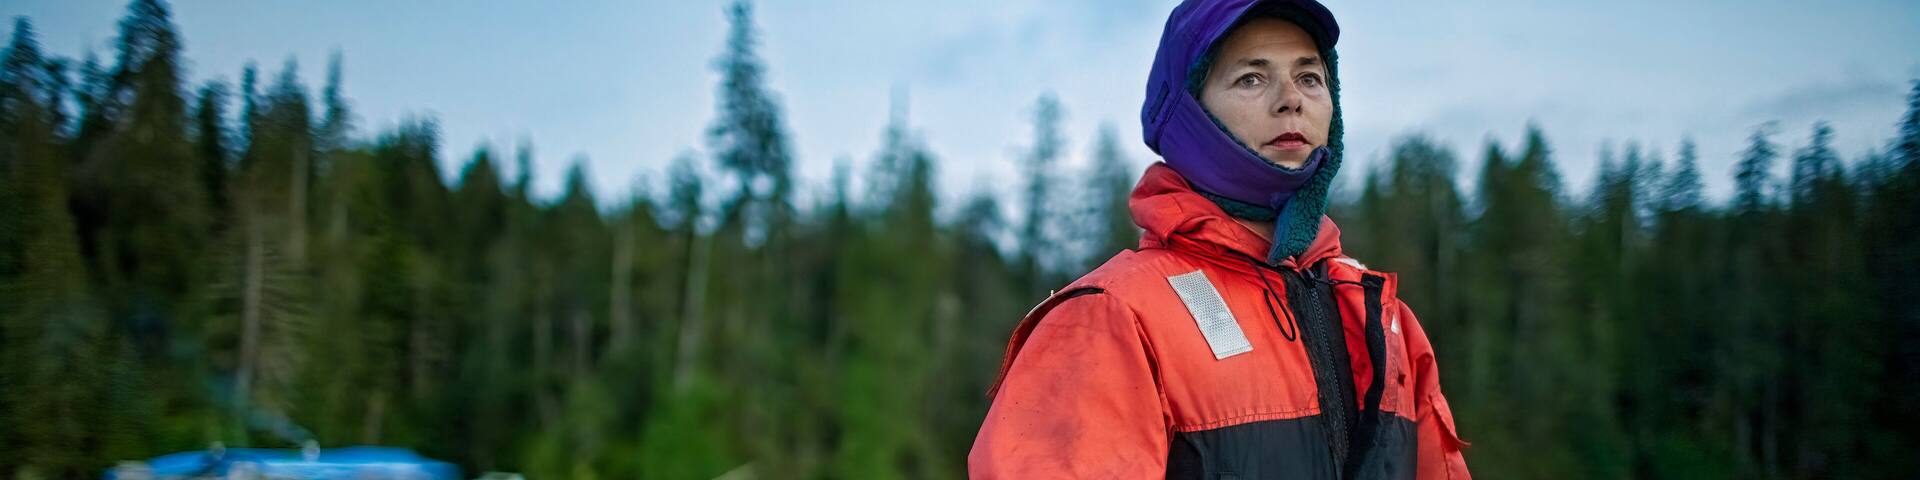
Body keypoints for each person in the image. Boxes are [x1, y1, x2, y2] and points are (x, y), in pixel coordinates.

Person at [968, 0, 1471, 478]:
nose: (1291, 99)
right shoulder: (1111, 317)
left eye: (1310, 77)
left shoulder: (1381, 318)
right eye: (1251, 77)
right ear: (1187, 111)